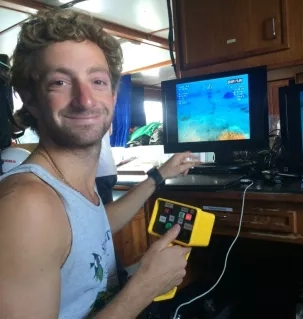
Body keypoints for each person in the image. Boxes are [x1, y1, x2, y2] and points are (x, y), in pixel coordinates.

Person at [0, 9, 199, 319]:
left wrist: (159, 175)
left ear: (114, 96)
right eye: (60, 82)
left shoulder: (71, 184)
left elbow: (97, 224)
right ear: (31, 99)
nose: (86, 99)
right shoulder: (28, 207)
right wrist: (145, 287)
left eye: (97, 81)